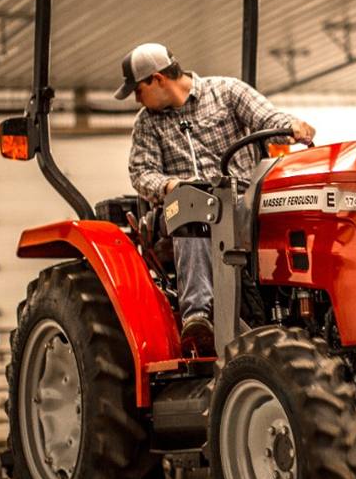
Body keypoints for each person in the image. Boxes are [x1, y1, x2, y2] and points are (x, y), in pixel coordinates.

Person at [115, 42, 315, 355]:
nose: (137, 99)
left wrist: (292, 126)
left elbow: (268, 119)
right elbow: (142, 173)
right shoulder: (147, 123)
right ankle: (198, 317)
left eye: (138, 90)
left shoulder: (226, 92)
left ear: (157, 79)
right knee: (193, 206)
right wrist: (172, 186)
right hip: (185, 209)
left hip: (242, 202)